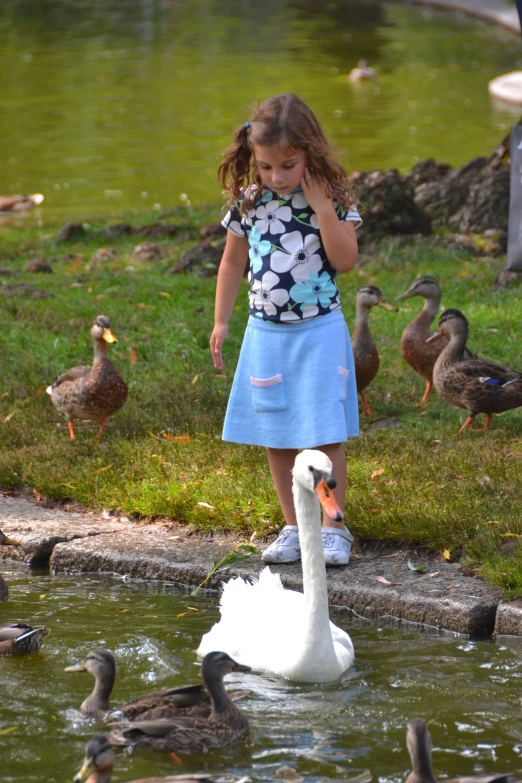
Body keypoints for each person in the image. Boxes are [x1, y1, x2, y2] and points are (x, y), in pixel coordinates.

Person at [209, 93, 361, 567]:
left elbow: (346, 260)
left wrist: (322, 210)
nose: (276, 177)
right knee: (276, 432)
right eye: (266, 166)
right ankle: (295, 525)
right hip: (266, 335)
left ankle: (333, 527)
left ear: (310, 153)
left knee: (323, 427)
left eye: (288, 165)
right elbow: (232, 262)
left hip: (318, 332)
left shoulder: (331, 198)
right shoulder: (249, 202)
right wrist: (221, 320)